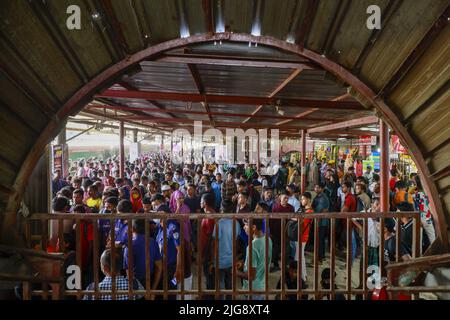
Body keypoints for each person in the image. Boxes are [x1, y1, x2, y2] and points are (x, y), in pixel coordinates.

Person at [123, 220, 162, 297]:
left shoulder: (129, 245)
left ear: (132, 229)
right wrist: (153, 290)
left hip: (135, 284)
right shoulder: (153, 242)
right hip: (149, 281)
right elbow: (159, 267)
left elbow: (129, 272)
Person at [236, 218, 272, 300]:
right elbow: (261, 260)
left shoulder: (253, 246)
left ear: (253, 227)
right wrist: (244, 263)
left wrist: (235, 272)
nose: (244, 227)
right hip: (263, 286)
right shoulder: (268, 239)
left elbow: (251, 276)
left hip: (253, 289)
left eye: (246, 225)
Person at [211, 199, 241, 299]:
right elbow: (237, 242)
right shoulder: (236, 223)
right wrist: (235, 257)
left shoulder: (219, 224)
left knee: (220, 285)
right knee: (229, 285)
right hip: (231, 259)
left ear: (222, 210)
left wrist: (212, 260)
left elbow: (215, 244)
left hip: (220, 260)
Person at [286, 192, 313, 281]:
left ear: (308, 200)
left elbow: (300, 222)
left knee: (298, 258)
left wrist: (294, 218)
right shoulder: (305, 211)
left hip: (302, 237)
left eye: (303, 199)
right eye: (301, 199)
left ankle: (301, 278)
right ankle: (303, 276)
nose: (301, 201)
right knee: (301, 257)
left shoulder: (309, 212)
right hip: (301, 236)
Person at [270, 191, 294, 272]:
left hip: (286, 233)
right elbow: (271, 220)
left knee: (286, 250)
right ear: (280, 198)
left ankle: (285, 266)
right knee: (275, 249)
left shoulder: (291, 208)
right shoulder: (275, 207)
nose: (286, 200)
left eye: (287, 198)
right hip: (276, 232)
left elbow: (292, 220)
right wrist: (271, 232)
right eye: (284, 198)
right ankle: (275, 265)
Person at [200, 193, 216, 298]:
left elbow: (211, 238)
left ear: (205, 203)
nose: (200, 203)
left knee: (209, 274)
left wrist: (205, 255)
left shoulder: (210, 216)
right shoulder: (208, 213)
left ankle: (210, 297)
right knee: (209, 275)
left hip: (208, 252)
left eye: (201, 201)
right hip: (207, 250)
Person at [312, 183, 330, 264]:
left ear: (322, 189)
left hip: (321, 222)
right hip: (319, 221)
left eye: (318, 187)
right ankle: (321, 257)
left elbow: (319, 210)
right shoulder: (318, 197)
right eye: (315, 187)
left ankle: (319, 258)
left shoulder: (323, 198)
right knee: (319, 240)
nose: (316, 189)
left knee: (320, 240)